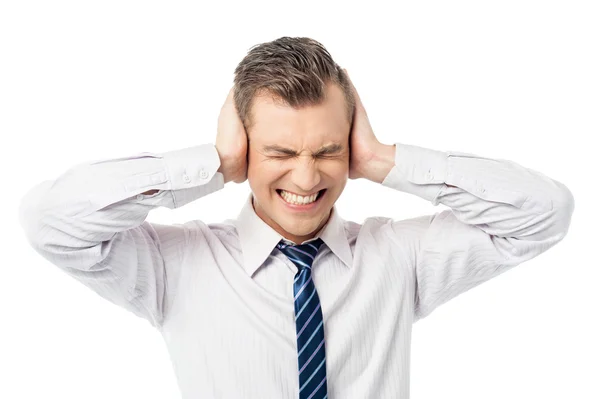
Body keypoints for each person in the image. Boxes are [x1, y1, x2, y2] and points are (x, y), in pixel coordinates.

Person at [18, 36, 575, 399]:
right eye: (281, 154)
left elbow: (544, 213)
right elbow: (50, 221)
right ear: (245, 147)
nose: (307, 180)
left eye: (327, 152)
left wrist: (382, 160)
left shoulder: (399, 260)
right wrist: (212, 165)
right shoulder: (174, 267)